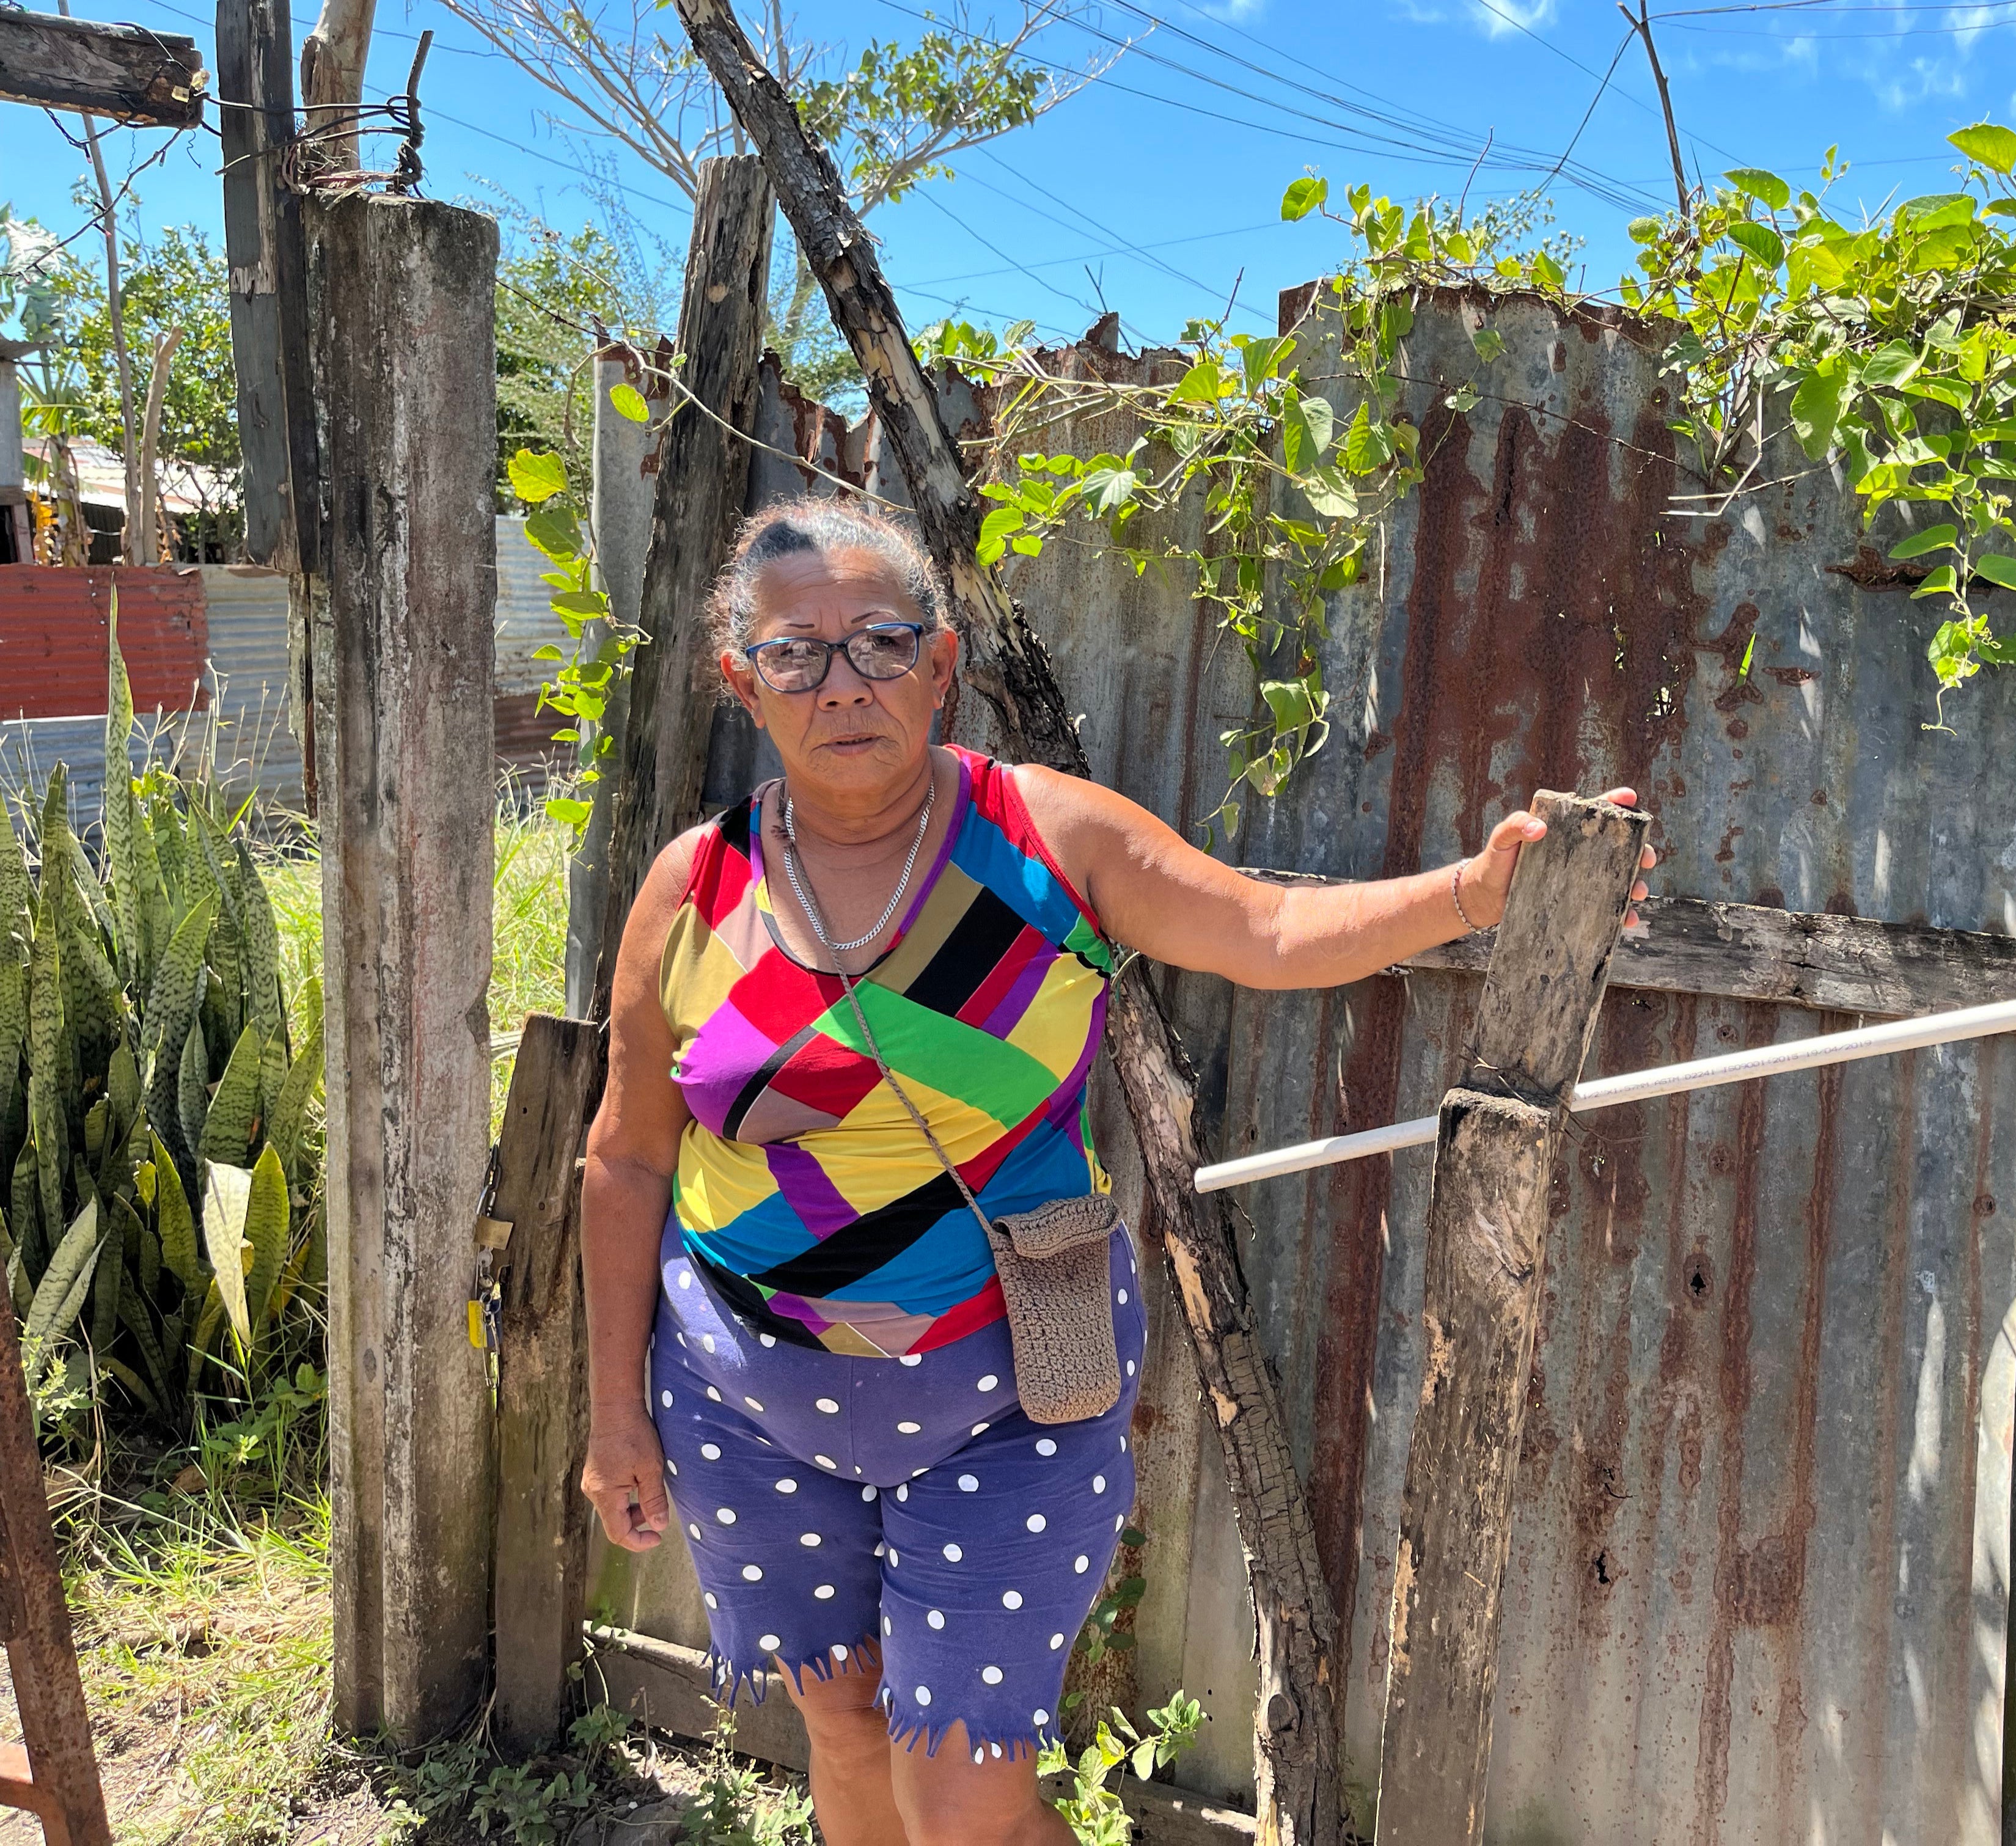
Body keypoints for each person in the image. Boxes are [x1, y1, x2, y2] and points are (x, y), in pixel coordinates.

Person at [579, 497, 1653, 1846]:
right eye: (797, 652)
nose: (841, 681)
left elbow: (1267, 927)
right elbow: (624, 1159)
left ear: (942, 661)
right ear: (744, 680)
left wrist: (1475, 894)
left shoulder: (1046, 841)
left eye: (879, 641)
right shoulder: (694, 885)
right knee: (842, 1727)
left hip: (1011, 1394)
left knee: (964, 1798)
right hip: (745, 1404)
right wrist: (618, 1412)